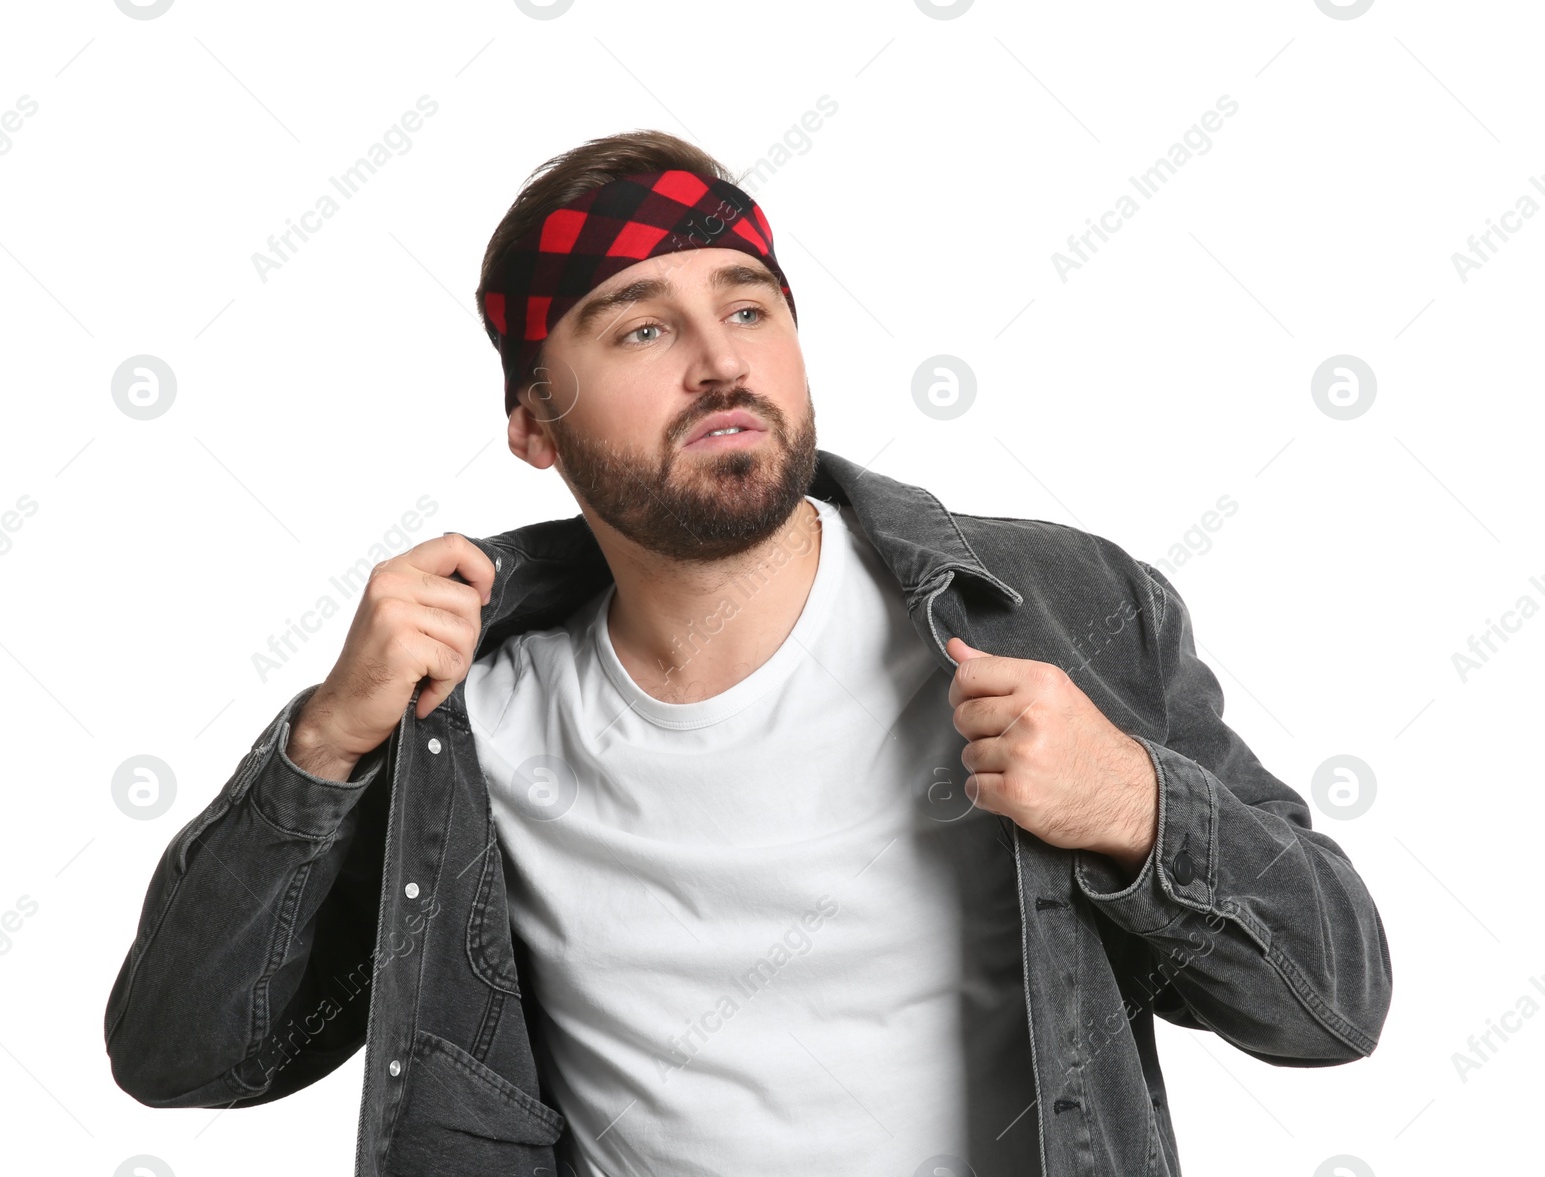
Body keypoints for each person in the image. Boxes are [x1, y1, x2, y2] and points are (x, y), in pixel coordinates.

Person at [105, 130, 1392, 1177]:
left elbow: (1333, 1003)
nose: (721, 361)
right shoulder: (462, 706)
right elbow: (184, 1055)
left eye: (749, 306)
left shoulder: (1055, 605)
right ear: (532, 425)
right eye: (640, 328)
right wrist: (327, 741)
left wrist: (1132, 806)